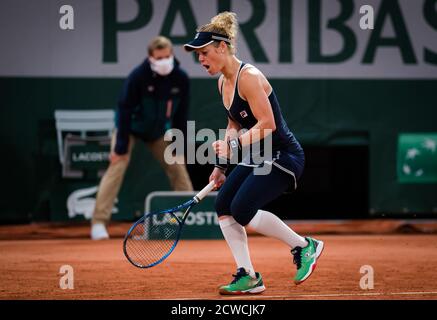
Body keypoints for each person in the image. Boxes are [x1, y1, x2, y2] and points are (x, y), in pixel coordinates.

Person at [184, 12, 324, 295]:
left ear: (222, 48)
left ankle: (303, 245)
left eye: (205, 53)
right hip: (259, 155)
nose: (201, 59)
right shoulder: (223, 82)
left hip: (284, 156)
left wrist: (234, 147)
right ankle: (248, 275)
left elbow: (268, 124)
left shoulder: (249, 77)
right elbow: (233, 123)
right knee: (223, 207)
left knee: (242, 209)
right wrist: (221, 166)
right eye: (198, 55)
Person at [91, 36, 193, 240]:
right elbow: (124, 109)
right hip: (129, 129)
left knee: (177, 166)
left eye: (167, 56)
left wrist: (179, 145)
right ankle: (99, 223)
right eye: (159, 57)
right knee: (117, 165)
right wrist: (120, 145)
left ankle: (189, 218)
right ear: (151, 58)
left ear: (172, 55)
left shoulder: (180, 78)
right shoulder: (138, 76)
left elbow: (181, 115)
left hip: (157, 132)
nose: (164, 61)